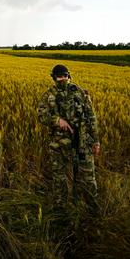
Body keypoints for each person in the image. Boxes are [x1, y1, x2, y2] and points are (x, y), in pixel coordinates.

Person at [38, 64, 100, 212]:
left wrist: (96, 140)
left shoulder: (80, 93)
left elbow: (92, 118)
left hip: (83, 142)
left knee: (88, 177)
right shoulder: (48, 95)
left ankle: (92, 208)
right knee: (59, 177)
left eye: (65, 76)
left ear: (69, 76)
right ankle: (61, 208)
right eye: (59, 76)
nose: (62, 79)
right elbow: (41, 116)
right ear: (54, 78)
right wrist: (57, 120)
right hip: (58, 144)